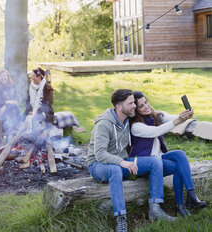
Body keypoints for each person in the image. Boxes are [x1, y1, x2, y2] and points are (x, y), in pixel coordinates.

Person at [86, 89, 177, 232]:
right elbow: (99, 154)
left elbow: (153, 116)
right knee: (115, 169)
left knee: (155, 162)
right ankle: (121, 219)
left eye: (134, 102)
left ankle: (155, 209)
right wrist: (122, 162)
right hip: (98, 165)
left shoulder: (127, 120)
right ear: (119, 107)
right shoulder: (104, 124)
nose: (134, 105)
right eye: (131, 103)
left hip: (122, 162)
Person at [130, 91, 207, 218]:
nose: (146, 106)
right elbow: (157, 131)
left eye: (146, 102)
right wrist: (178, 120)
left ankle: (188, 198)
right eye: (141, 106)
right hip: (147, 164)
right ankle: (184, 204)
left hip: (159, 158)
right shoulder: (136, 126)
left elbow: (173, 118)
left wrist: (185, 115)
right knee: (178, 167)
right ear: (136, 110)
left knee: (180, 154)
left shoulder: (156, 115)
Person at [24, 67, 54, 132]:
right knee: (22, 119)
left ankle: (36, 136)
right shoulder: (31, 87)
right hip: (32, 110)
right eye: (32, 76)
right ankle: (23, 136)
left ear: (40, 77)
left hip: (44, 112)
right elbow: (28, 101)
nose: (32, 78)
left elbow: (47, 104)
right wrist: (29, 110)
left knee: (35, 119)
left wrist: (36, 112)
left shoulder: (47, 88)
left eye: (34, 76)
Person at [0, 69, 21, 139]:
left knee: (11, 116)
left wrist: (6, 104)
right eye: (1, 76)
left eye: (4, 75)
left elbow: (17, 102)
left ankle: (12, 139)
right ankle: (9, 141)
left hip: (11, 110)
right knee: (9, 122)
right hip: (0, 111)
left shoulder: (12, 87)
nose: (3, 77)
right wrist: (11, 102)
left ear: (8, 77)